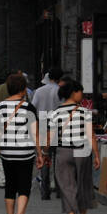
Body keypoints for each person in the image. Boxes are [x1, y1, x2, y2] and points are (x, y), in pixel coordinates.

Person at [0, 72, 43, 214]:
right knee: (24, 187)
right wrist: (39, 153)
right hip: (26, 153)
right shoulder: (29, 107)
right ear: (23, 89)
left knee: (10, 186)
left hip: (7, 153)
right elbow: (35, 133)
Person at [44, 77, 100, 214]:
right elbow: (91, 135)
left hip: (64, 151)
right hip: (83, 151)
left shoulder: (55, 112)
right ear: (73, 93)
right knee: (84, 184)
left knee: (66, 185)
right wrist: (96, 154)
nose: (81, 95)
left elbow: (50, 136)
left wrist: (45, 152)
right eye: (80, 91)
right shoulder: (84, 112)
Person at [31, 67, 63, 200]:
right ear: (59, 78)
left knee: (44, 157)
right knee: (58, 158)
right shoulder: (60, 91)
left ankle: (45, 191)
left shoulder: (39, 91)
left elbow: (33, 108)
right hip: (58, 124)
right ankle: (59, 190)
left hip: (43, 123)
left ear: (48, 77)